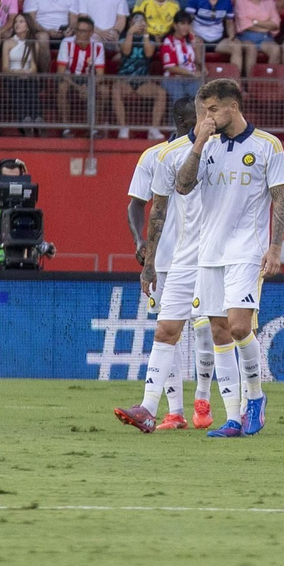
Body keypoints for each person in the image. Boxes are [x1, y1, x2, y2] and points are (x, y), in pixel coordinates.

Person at [171, 78, 284, 439]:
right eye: (203, 111)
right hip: (209, 251)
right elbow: (182, 186)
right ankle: (233, 418)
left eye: (212, 110)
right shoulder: (206, 146)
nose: (206, 117)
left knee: (239, 326)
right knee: (219, 332)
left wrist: (275, 247)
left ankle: (255, 398)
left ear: (232, 107)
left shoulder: (267, 145)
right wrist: (198, 142)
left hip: (247, 250)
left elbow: (280, 199)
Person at [113, 101, 199, 433]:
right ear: (185, 120)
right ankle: (174, 412)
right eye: (200, 114)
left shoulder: (216, 151)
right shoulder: (154, 156)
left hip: (207, 256)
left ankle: (210, 404)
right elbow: (136, 204)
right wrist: (140, 242)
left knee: (211, 329)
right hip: (165, 258)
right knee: (167, 330)